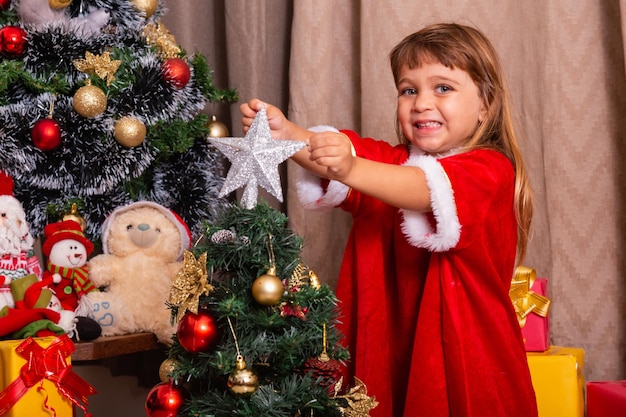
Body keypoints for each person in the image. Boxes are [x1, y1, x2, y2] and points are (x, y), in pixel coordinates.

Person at [241, 22, 537, 417]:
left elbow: (422, 189)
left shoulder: (491, 170)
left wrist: (349, 168)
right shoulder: (390, 161)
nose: (421, 103)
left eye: (443, 87)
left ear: (486, 103)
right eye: (408, 89)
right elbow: (333, 157)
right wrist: (287, 135)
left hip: (465, 360)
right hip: (387, 348)